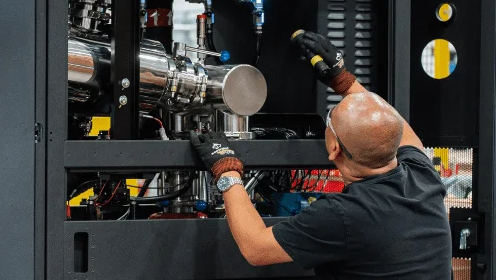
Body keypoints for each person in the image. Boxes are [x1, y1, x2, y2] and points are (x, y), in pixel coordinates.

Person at [189, 30, 452, 279]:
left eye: (329, 121)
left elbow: (256, 248)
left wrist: (227, 170)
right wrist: (343, 81)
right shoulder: (422, 177)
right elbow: (397, 130)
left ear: (335, 148)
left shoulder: (344, 214)